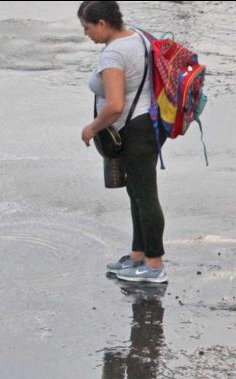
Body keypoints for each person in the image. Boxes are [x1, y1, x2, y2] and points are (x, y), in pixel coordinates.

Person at [78, 1, 165, 283]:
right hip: (146, 124)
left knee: (145, 195)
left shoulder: (113, 54)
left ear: (102, 24)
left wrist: (92, 128)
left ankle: (154, 265)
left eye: (87, 28)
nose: (87, 34)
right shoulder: (138, 36)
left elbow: (115, 105)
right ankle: (139, 255)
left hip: (134, 130)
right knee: (137, 194)